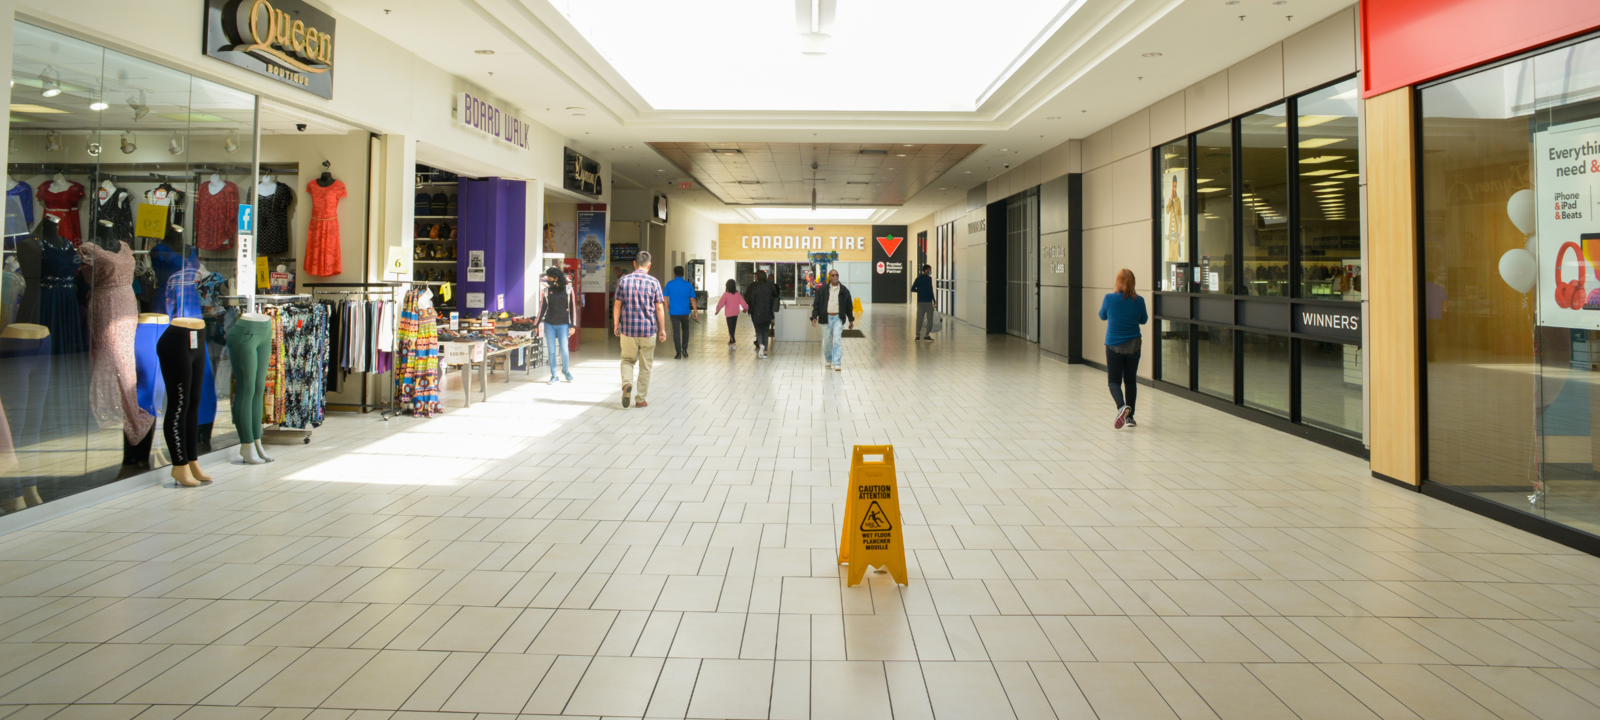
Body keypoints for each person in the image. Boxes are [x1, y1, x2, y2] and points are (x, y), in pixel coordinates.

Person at [613, 251, 666, 408]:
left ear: (634, 264)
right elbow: (660, 308)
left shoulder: (623, 281)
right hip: (648, 331)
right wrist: (662, 329)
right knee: (645, 366)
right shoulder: (654, 282)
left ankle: (627, 383)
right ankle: (640, 399)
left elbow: (617, 305)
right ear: (649, 265)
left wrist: (616, 325)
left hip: (628, 330)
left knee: (627, 360)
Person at [1099, 268, 1148, 429]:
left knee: (1114, 381)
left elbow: (1102, 316)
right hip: (1134, 345)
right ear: (1133, 283)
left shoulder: (1109, 298)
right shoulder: (1139, 300)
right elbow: (1144, 320)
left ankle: (1121, 407)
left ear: (1118, 282)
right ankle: (1130, 418)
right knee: (1130, 381)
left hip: (1114, 345)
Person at [811, 268, 855, 371]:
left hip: (838, 318)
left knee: (837, 340)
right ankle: (828, 359)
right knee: (827, 341)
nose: (835, 277)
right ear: (829, 277)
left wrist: (851, 320)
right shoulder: (823, 290)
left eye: (836, 275)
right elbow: (816, 304)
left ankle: (837, 362)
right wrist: (814, 317)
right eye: (833, 275)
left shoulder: (844, 290)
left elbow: (849, 306)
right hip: (825, 318)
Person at [538, 266, 576, 384]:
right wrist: (536, 324)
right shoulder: (546, 291)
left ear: (555, 278)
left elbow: (573, 308)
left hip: (563, 324)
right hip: (549, 323)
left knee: (564, 349)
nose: (547, 279)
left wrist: (573, 325)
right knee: (551, 350)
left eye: (549, 277)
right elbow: (542, 309)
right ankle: (554, 374)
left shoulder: (568, 290)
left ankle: (565, 370)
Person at [663, 265, 698, 359]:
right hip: (685, 312)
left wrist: (668, 308)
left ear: (674, 274)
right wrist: (696, 312)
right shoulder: (688, 285)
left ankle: (678, 353)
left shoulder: (669, 284)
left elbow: (664, 297)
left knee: (676, 332)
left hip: (674, 312)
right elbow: (693, 299)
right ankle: (685, 349)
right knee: (686, 330)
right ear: (683, 274)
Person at [746, 269, 776, 358]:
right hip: (768, 312)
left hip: (757, 313)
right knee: (766, 332)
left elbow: (753, 301)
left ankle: (760, 345)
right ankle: (765, 352)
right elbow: (776, 295)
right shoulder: (769, 287)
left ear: (758, 277)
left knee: (759, 331)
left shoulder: (755, 288)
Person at [714, 279, 747, 350]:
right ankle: (730, 342)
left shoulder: (726, 294)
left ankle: (734, 342)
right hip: (735, 313)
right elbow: (742, 302)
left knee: (731, 329)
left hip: (729, 314)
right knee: (733, 328)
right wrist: (746, 308)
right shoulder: (737, 294)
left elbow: (721, 303)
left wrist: (717, 310)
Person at [910, 264, 936, 340]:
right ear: (926, 270)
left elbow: (912, 289)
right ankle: (926, 335)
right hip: (928, 301)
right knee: (929, 318)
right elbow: (930, 291)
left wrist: (920, 291)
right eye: (929, 269)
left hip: (920, 301)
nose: (930, 271)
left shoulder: (918, 278)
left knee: (919, 318)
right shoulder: (929, 279)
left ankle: (917, 335)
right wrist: (934, 300)